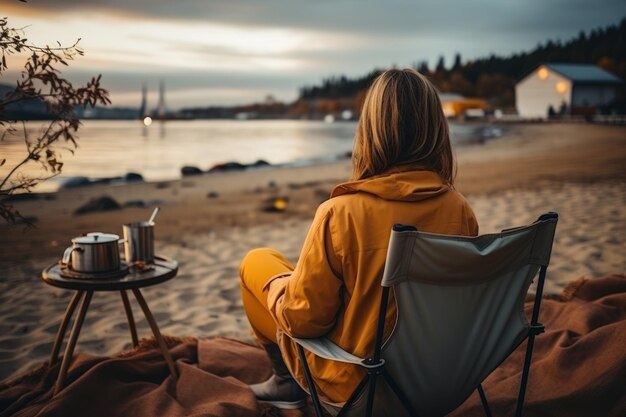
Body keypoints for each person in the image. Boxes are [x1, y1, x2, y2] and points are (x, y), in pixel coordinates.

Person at [239, 68, 479, 409]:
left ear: (370, 131)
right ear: (436, 129)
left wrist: (278, 288)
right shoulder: (459, 211)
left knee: (257, 262)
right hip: (433, 380)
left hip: (355, 384)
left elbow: (304, 321)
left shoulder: (341, 214)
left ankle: (284, 382)